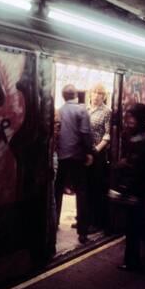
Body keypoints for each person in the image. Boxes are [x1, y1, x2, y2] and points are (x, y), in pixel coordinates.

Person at [117, 103, 145, 271]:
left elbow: (143, 167)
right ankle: (141, 257)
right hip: (136, 188)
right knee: (138, 226)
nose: (128, 120)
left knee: (136, 227)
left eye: (132, 117)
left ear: (140, 119)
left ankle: (134, 260)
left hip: (138, 189)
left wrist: (124, 166)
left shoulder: (144, 139)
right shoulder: (137, 136)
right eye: (127, 117)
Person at [54, 84, 95, 244]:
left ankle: (54, 222)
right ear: (76, 95)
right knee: (82, 193)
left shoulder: (59, 111)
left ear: (64, 96)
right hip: (78, 157)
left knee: (57, 191)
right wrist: (89, 152)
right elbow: (85, 133)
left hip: (62, 156)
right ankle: (82, 233)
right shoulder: (81, 110)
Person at [87, 84, 112, 232]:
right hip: (85, 153)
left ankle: (96, 223)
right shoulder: (86, 109)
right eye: (94, 92)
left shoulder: (107, 111)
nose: (96, 96)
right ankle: (84, 219)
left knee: (96, 188)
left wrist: (97, 149)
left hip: (98, 153)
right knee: (85, 188)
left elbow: (107, 134)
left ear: (104, 96)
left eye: (100, 93)